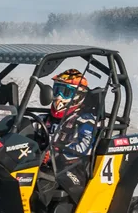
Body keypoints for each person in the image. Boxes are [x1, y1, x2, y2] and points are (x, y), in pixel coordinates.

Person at [41, 68, 97, 202]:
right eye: (56, 90)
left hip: (72, 170)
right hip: (47, 163)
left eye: (66, 92)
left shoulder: (85, 120)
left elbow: (84, 146)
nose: (59, 96)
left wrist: (55, 152)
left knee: (43, 180)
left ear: (78, 95)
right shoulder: (45, 118)